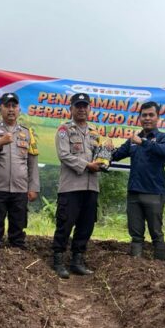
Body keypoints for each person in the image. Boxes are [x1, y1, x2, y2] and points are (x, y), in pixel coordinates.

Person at [51, 93, 111, 278]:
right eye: (78, 106)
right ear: (71, 108)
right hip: (71, 187)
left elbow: (101, 155)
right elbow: (64, 155)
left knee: (86, 225)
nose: (82, 109)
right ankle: (58, 260)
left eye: (85, 106)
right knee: (65, 224)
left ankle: (77, 260)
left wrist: (104, 160)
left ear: (89, 109)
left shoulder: (95, 132)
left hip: (91, 187)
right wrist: (87, 165)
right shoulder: (64, 130)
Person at [111, 101, 165, 259]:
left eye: (151, 115)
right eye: (144, 115)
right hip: (134, 193)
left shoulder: (164, 137)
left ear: (157, 117)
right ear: (139, 118)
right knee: (136, 234)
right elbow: (116, 155)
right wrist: (107, 149)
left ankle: (162, 268)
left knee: (156, 233)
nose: (147, 118)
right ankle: (135, 268)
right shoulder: (133, 139)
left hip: (153, 193)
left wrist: (144, 142)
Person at [0, 92, 40, 249]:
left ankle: (17, 264)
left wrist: (33, 187)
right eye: (7, 106)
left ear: (19, 110)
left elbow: (32, 162)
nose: (11, 109)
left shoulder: (27, 133)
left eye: (14, 106)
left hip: (19, 189)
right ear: (0, 109)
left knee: (18, 231)